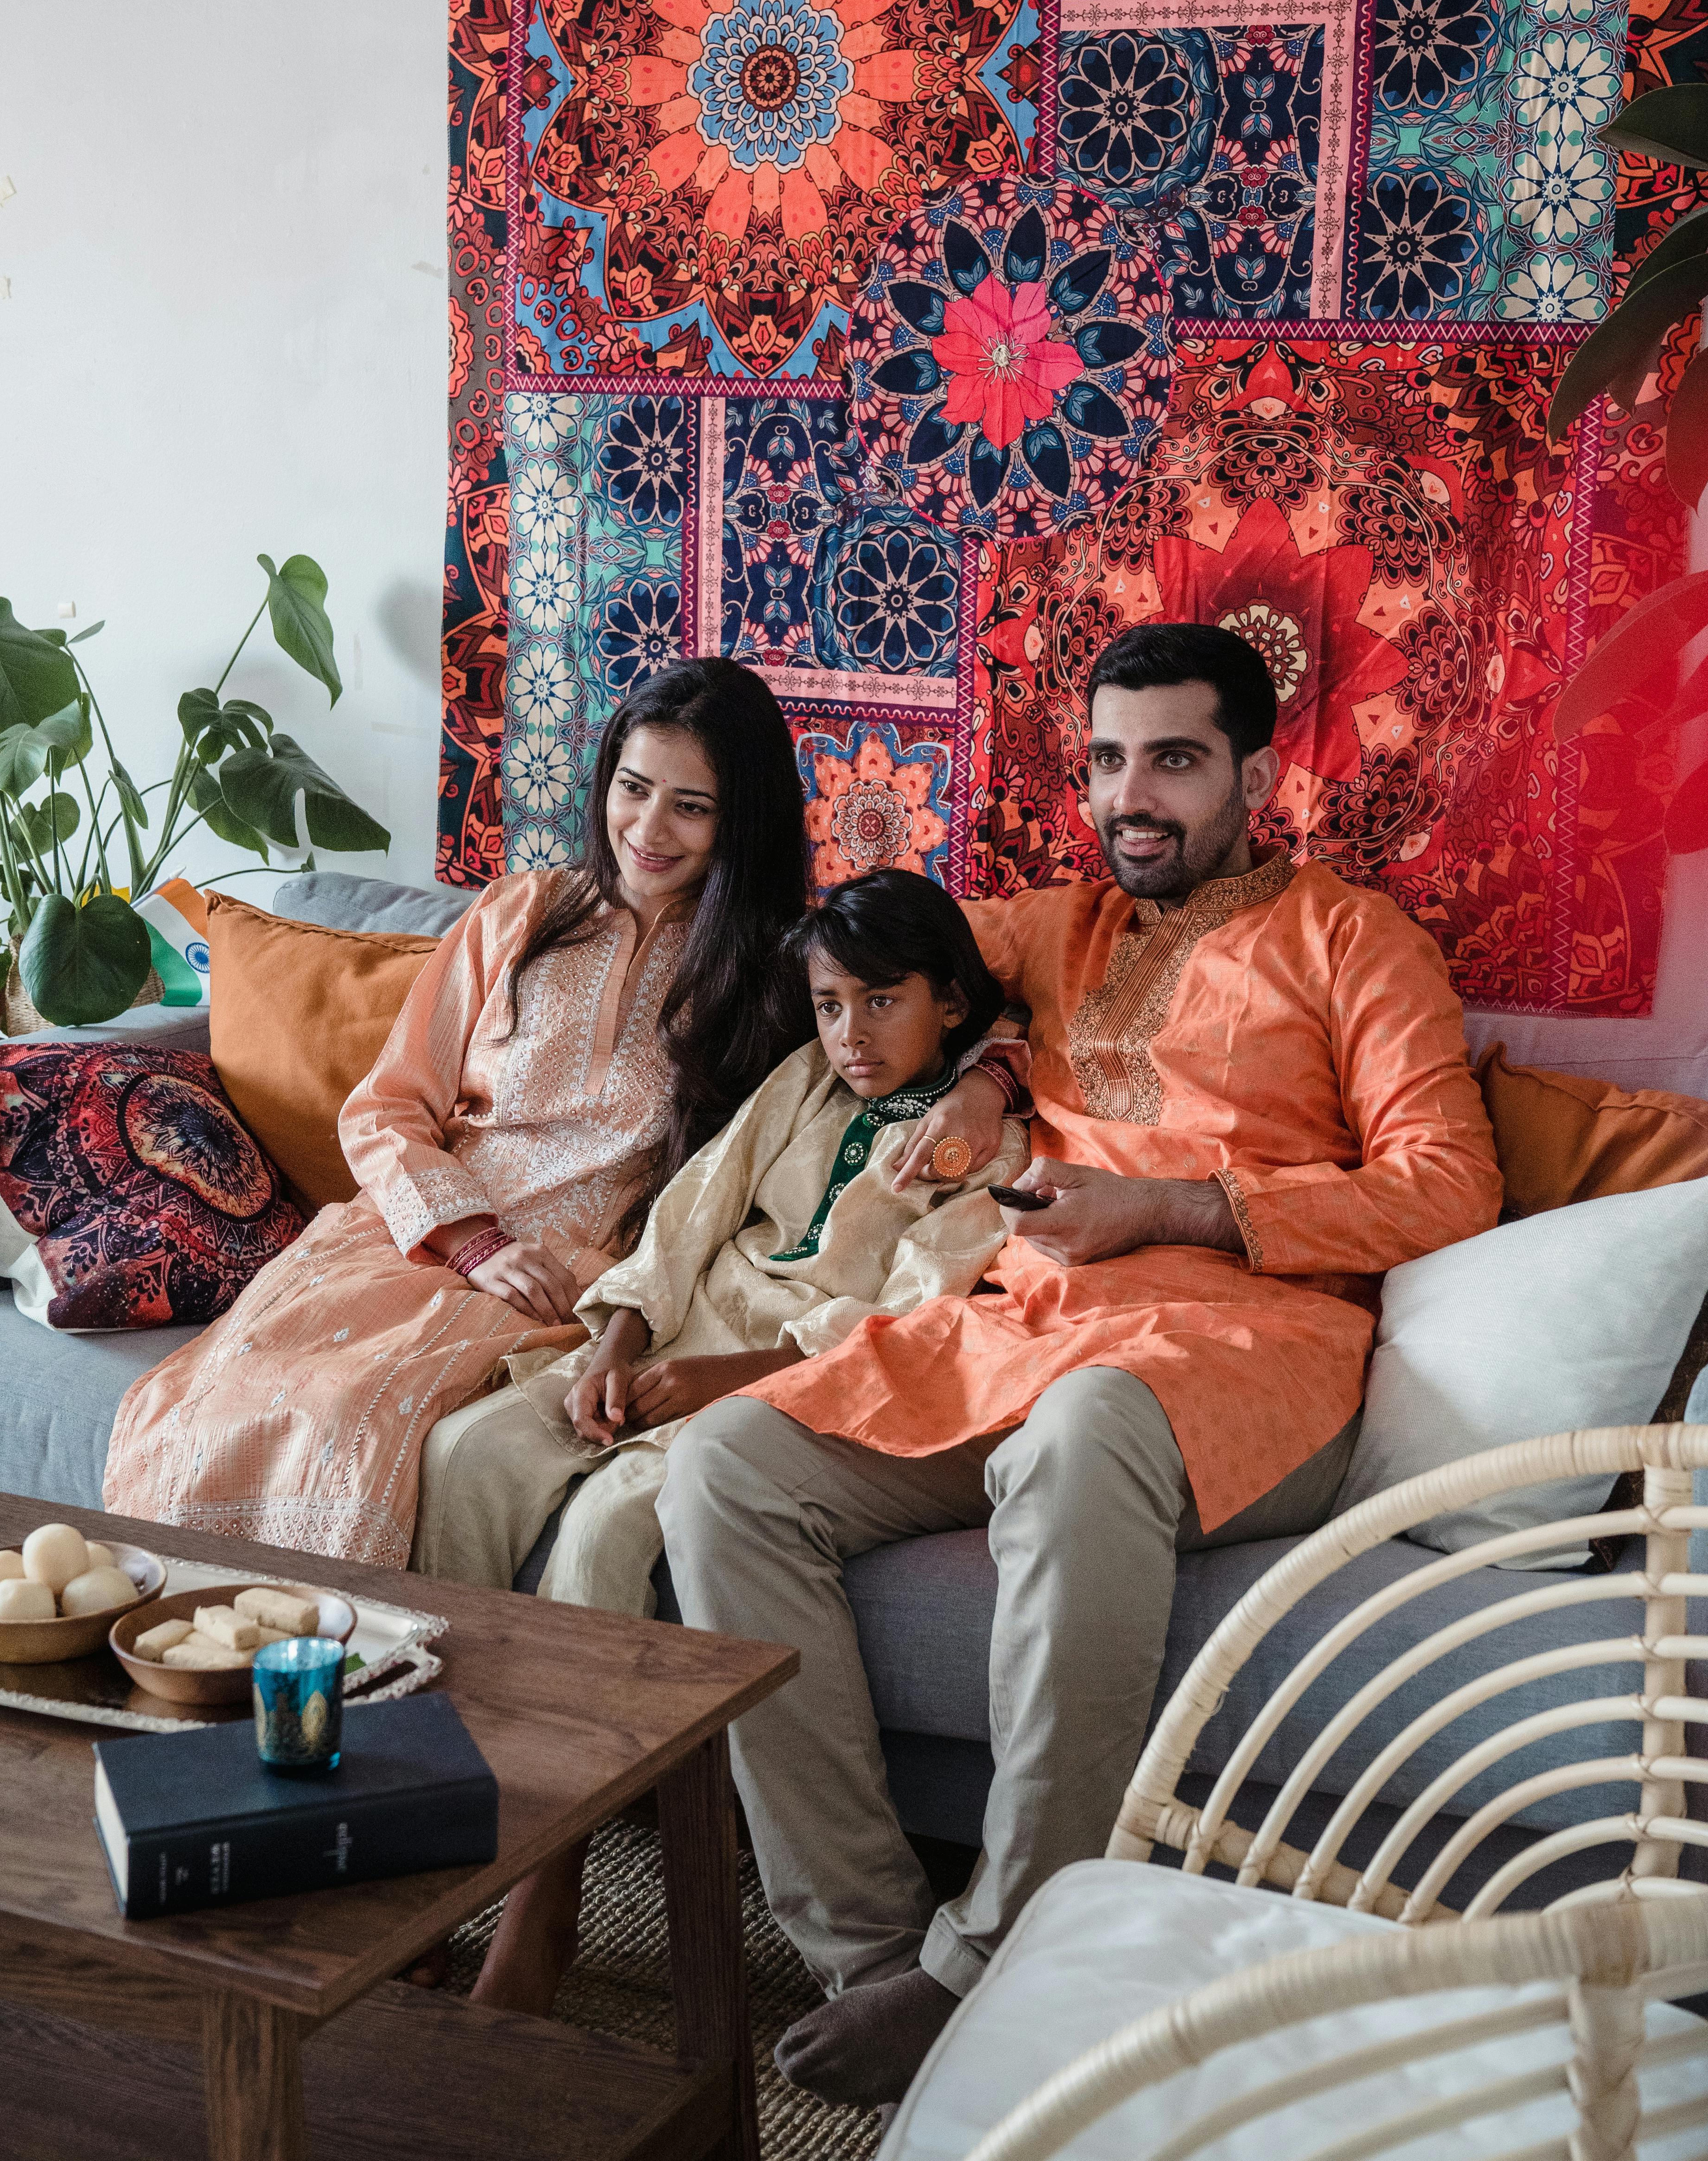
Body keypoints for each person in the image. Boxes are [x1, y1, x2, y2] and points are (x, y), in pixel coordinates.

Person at [656, 620, 1505, 2109]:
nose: (1133, 797)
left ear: (1259, 768)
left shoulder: (1353, 941)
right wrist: (985, 1077)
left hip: (1251, 1346)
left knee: (1084, 1432)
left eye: (1174, 761)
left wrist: (1178, 1206)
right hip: (1025, 1321)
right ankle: (869, 1953)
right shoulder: (1053, 927)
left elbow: (1449, 1186)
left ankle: (1000, 1962)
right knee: (727, 1466)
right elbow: (893, 960)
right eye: (1109, 759)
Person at [442, 866, 1029, 2013]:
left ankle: (544, 1892)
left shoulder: (988, 1153)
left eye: (879, 1002)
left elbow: (902, 1325)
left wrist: (715, 1380)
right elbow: (690, 1214)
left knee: (611, 1527)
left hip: (774, 1387)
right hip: (663, 1340)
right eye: (827, 1005)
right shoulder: (801, 1082)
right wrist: (614, 1340)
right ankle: (452, 1828)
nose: (848, 1035)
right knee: (466, 1457)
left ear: (949, 1002)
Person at [103, 658, 813, 1568]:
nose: (648, 828)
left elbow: (940, 1012)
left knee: (345, 1417)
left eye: (691, 805)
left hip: (569, 1277)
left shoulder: (779, 970)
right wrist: (473, 1241)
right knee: (214, 1394)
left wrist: (989, 1073)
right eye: (632, 789)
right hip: (416, 1235)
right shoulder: (521, 912)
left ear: (741, 818)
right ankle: (190, 1671)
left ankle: (349, 1686)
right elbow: (387, 1106)